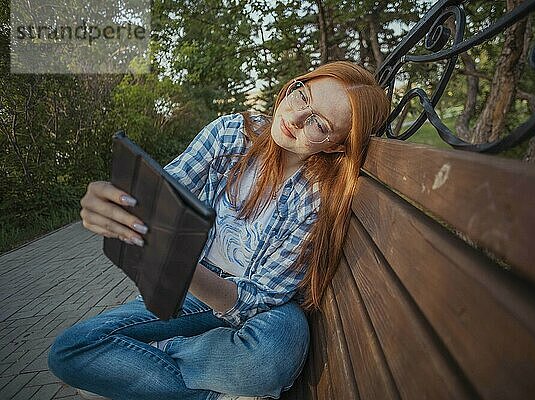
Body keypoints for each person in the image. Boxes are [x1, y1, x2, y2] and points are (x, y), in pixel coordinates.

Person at [47, 60, 390, 400]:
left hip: (262, 312)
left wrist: (180, 265)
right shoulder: (230, 135)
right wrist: (117, 203)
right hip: (191, 293)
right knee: (72, 349)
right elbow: (162, 197)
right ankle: (214, 387)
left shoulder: (318, 196)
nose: (296, 117)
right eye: (304, 96)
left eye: (319, 123)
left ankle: (154, 355)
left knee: (275, 353)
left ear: (334, 145)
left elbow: (260, 299)